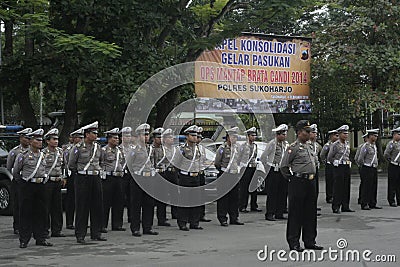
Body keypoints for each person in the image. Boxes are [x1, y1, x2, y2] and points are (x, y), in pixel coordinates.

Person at [280, 120, 323, 252]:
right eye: (307, 131)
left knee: (310, 212)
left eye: (310, 131)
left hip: (311, 182)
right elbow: (284, 166)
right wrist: (292, 178)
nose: (309, 134)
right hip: (298, 182)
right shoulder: (293, 147)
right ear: (299, 133)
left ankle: (310, 241)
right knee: (296, 213)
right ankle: (294, 242)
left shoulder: (310, 146)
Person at [13, 129, 53, 248]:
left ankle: (41, 237)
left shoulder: (44, 155)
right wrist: (23, 183)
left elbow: (46, 169)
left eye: (41, 140)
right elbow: (16, 172)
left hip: (41, 185)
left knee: (42, 212)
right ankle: (24, 239)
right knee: (26, 212)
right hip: (28, 185)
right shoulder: (23, 155)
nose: (40, 142)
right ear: (30, 141)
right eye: (37, 140)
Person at [68, 121, 106, 244]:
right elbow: (71, 164)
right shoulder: (77, 147)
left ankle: (96, 233)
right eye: (93, 133)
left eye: (96, 133)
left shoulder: (98, 147)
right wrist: (81, 173)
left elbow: (101, 161)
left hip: (95, 177)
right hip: (82, 178)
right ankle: (80, 234)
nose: (96, 135)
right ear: (87, 134)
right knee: (82, 206)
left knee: (97, 206)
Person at [127, 123, 158, 236]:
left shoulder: (151, 149)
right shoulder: (134, 150)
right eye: (143, 135)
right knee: (136, 204)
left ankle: (147, 227)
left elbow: (154, 162)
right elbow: (129, 164)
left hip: (149, 177)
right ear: (138, 136)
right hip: (138, 178)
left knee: (149, 204)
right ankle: (135, 228)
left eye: (147, 134)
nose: (145, 137)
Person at [175, 125, 203, 231]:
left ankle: (194, 222)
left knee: (195, 200)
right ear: (187, 136)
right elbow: (177, 164)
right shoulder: (182, 149)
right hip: (185, 177)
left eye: (196, 135)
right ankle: (182, 222)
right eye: (192, 135)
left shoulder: (198, 149)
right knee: (184, 200)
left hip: (196, 176)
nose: (195, 137)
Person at [214, 127, 244, 226]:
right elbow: (217, 162)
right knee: (223, 197)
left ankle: (234, 217)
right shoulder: (222, 148)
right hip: (224, 174)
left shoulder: (238, 148)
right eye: (232, 137)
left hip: (234, 174)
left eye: (235, 137)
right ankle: (222, 218)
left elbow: (239, 160)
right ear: (228, 137)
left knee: (234, 197)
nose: (234, 139)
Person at [6, 127, 32, 235]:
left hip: (31, 181)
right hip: (19, 181)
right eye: (26, 138)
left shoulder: (33, 150)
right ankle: (17, 226)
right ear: (21, 138)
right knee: (18, 205)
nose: (28, 140)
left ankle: (30, 226)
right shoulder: (15, 151)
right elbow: (9, 167)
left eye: (30, 138)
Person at [261, 124, 289, 221]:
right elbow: (264, 157)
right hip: (274, 170)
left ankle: (279, 212)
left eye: (285, 134)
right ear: (278, 135)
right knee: (272, 193)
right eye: (283, 134)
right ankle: (270, 213)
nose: (284, 136)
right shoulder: (272, 143)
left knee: (282, 192)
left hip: (282, 170)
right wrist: (268, 166)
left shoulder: (286, 144)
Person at [100, 128, 125, 232]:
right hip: (108, 177)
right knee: (105, 202)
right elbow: (99, 162)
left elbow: (123, 161)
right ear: (109, 139)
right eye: (115, 138)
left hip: (118, 177)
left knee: (119, 201)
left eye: (118, 137)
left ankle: (117, 224)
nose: (117, 139)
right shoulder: (103, 150)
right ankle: (102, 225)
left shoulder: (120, 150)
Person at [327, 125, 354, 213]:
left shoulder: (347, 144)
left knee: (346, 186)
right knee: (338, 187)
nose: (346, 135)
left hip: (346, 166)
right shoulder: (335, 145)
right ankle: (336, 206)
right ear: (339, 134)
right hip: (338, 167)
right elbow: (330, 156)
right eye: (344, 133)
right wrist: (335, 162)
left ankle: (345, 205)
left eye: (347, 133)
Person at [43, 128, 65, 238]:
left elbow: (64, 165)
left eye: (57, 139)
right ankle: (45, 230)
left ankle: (57, 230)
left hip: (57, 182)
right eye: (53, 139)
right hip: (47, 182)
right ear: (47, 141)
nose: (56, 141)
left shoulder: (60, 152)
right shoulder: (43, 153)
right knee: (46, 207)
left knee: (57, 207)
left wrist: (63, 177)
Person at [63, 128, 84, 230]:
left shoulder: (84, 148)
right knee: (71, 199)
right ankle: (69, 222)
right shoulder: (68, 149)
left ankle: (81, 222)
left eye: (81, 137)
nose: (80, 139)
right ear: (73, 138)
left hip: (81, 175)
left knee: (81, 199)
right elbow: (67, 163)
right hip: (72, 175)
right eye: (78, 137)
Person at [356, 128, 381, 210]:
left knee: (373, 186)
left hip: (373, 168)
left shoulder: (374, 146)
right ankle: (364, 203)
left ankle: (372, 203)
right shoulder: (365, 146)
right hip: (367, 167)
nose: (376, 137)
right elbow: (360, 158)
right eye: (374, 135)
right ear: (370, 136)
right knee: (366, 186)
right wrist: (364, 165)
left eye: (376, 136)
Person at [151, 127, 171, 227]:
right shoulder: (151, 149)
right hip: (154, 174)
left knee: (163, 197)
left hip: (163, 173)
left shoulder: (165, 149)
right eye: (158, 137)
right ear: (154, 138)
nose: (160, 139)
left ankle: (161, 219)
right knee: (151, 198)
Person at [238, 127, 260, 212]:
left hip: (253, 167)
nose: (254, 137)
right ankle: (242, 206)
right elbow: (239, 157)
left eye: (255, 135)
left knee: (254, 187)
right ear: (248, 136)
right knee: (244, 188)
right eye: (252, 135)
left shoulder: (255, 146)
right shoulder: (243, 146)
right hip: (245, 168)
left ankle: (254, 205)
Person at [161, 128, 179, 220]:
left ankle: (175, 213)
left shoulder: (175, 149)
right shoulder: (162, 149)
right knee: (163, 195)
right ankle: (162, 217)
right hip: (165, 172)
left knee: (174, 194)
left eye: (172, 137)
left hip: (173, 172)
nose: (171, 139)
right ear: (164, 139)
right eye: (169, 137)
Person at [320, 129, 339, 204]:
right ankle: (329, 196)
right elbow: (322, 155)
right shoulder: (327, 145)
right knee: (330, 181)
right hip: (330, 165)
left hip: (336, 165)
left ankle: (335, 195)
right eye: (335, 136)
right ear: (331, 136)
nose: (337, 137)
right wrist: (325, 162)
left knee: (335, 181)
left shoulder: (338, 144)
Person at [197, 127, 211, 222]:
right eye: (197, 137)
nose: (198, 139)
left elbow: (204, 160)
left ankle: (201, 214)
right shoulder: (185, 148)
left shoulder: (202, 149)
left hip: (201, 173)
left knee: (202, 196)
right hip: (192, 173)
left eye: (199, 137)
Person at [384, 126, 400, 207]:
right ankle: (391, 200)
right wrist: (391, 161)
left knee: (399, 184)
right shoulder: (391, 144)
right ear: (394, 135)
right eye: (398, 134)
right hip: (393, 165)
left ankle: (399, 200)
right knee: (392, 184)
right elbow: (386, 154)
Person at [120, 127, 134, 223]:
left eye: (129, 136)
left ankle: (132, 217)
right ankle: (118, 220)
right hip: (122, 174)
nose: (128, 138)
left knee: (132, 198)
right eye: (126, 136)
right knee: (120, 198)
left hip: (131, 175)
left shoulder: (133, 148)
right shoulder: (118, 148)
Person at [355, 133, 368, 205]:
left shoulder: (373, 146)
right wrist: (361, 165)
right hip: (363, 167)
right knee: (364, 183)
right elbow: (357, 158)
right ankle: (361, 198)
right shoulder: (361, 147)